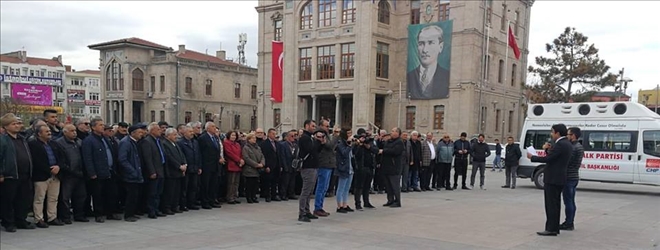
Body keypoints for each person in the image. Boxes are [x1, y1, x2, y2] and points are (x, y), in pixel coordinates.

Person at [527, 124, 572, 236]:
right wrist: (548, 150)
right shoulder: (567, 143)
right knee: (555, 204)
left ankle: (551, 228)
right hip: (559, 177)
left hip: (553, 178)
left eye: (552, 132)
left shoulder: (560, 144)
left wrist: (532, 157)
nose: (551, 134)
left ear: (557, 133)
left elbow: (549, 159)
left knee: (551, 204)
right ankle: (554, 227)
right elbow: (554, 158)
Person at [0, 114, 37, 232]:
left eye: (17, 123)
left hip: (25, 174)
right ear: (6, 127)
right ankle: (8, 223)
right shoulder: (3, 140)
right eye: (13, 124)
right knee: (8, 200)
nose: (17, 126)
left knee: (23, 199)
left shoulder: (22, 138)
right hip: (10, 175)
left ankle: (21, 220)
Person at [82, 118, 121, 223]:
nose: (102, 127)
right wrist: (92, 172)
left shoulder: (105, 138)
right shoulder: (89, 141)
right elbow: (87, 158)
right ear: (93, 127)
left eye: (103, 125)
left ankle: (110, 212)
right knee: (97, 194)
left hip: (109, 170)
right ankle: (98, 214)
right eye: (100, 125)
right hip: (97, 172)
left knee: (111, 193)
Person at [28, 124, 65, 227]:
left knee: (53, 198)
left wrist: (58, 167)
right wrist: (49, 170)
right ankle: (39, 219)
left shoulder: (54, 144)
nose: (49, 133)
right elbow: (35, 161)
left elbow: (62, 157)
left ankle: (52, 217)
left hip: (56, 175)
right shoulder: (33, 145)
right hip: (41, 176)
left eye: (49, 131)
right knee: (39, 199)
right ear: (39, 133)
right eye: (46, 131)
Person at [54, 124, 88, 224]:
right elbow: (60, 159)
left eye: (75, 131)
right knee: (65, 197)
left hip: (80, 173)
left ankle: (79, 215)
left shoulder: (79, 142)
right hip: (68, 174)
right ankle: (65, 216)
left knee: (81, 195)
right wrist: (67, 169)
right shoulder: (59, 143)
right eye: (71, 131)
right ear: (65, 132)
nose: (74, 133)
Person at [406, 25, 450, 99]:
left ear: (440, 47)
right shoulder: (409, 76)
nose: (425, 50)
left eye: (430, 43)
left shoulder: (447, 76)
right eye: (421, 44)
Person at [117, 123, 147, 222]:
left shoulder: (135, 142)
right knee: (131, 195)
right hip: (130, 174)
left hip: (136, 173)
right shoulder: (126, 142)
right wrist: (132, 171)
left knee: (135, 195)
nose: (141, 134)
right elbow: (122, 159)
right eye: (139, 132)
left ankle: (132, 213)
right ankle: (128, 214)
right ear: (133, 133)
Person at [138, 122, 167, 218]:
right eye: (158, 129)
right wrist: (152, 171)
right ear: (152, 131)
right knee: (152, 193)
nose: (160, 131)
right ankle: (151, 211)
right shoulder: (147, 141)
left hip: (161, 169)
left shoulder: (158, 140)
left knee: (159, 192)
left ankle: (157, 209)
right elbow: (148, 158)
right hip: (154, 171)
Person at [298, 120, 323, 222]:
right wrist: (317, 141)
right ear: (307, 126)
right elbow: (310, 149)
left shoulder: (310, 138)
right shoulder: (304, 138)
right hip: (307, 167)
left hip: (313, 167)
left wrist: (320, 142)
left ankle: (307, 211)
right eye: (312, 126)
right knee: (305, 191)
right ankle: (302, 213)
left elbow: (316, 151)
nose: (314, 128)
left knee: (309, 192)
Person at [561, 127, 584, 231]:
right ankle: (569, 221)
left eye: (568, 135)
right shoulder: (579, 146)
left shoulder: (573, 147)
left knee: (568, 201)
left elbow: (567, 161)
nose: (567, 137)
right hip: (574, 176)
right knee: (571, 200)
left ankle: (569, 222)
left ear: (573, 136)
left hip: (569, 177)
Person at [197, 122, 224, 209]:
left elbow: (217, 150)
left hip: (215, 165)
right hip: (207, 165)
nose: (215, 128)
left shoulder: (215, 137)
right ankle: (205, 201)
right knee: (206, 184)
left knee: (213, 184)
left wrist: (219, 158)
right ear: (207, 128)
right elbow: (200, 152)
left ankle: (212, 200)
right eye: (212, 126)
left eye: (215, 126)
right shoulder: (203, 138)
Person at [161, 128, 187, 214]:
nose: (177, 136)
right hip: (171, 171)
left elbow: (182, 155)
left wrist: (184, 164)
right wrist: (179, 166)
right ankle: (167, 207)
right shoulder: (165, 144)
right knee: (170, 191)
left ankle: (175, 206)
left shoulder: (175, 144)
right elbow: (169, 157)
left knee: (177, 190)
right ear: (168, 136)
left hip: (179, 171)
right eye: (174, 135)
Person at [313, 119, 336, 217]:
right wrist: (334, 136)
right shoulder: (319, 135)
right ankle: (317, 207)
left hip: (329, 163)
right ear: (321, 126)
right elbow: (330, 145)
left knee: (325, 187)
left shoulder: (326, 135)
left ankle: (320, 206)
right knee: (321, 187)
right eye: (326, 126)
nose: (328, 128)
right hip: (323, 163)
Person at [177, 125, 202, 210]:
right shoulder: (180, 142)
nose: (192, 133)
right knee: (185, 188)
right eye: (190, 132)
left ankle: (191, 203)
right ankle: (183, 204)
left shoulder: (195, 142)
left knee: (193, 187)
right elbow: (181, 156)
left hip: (194, 168)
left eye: (192, 132)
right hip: (187, 168)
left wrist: (199, 167)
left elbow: (198, 155)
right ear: (184, 133)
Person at [353, 129, 378, 210]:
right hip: (361, 167)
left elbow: (376, 150)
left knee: (367, 186)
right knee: (359, 186)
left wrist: (369, 146)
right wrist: (360, 144)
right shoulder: (356, 143)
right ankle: (358, 203)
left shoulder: (369, 142)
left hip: (370, 166)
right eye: (362, 136)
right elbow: (356, 154)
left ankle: (366, 202)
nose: (364, 138)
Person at [381, 127, 404, 208]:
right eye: (391, 131)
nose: (391, 133)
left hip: (394, 167)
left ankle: (397, 201)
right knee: (388, 185)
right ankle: (390, 200)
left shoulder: (399, 142)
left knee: (395, 185)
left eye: (393, 131)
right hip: (386, 166)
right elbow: (385, 148)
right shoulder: (388, 141)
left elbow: (395, 151)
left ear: (397, 133)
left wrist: (384, 151)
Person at [334, 128, 355, 213]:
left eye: (351, 133)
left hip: (350, 167)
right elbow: (344, 153)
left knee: (347, 188)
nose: (350, 135)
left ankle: (345, 204)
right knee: (341, 188)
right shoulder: (340, 143)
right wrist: (349, 145)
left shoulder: (348, 143)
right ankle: (339, 206)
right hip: (343, 167)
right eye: (348, 133)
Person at [242, 133, 264, 204]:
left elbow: (262, 156)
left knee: (255, 184)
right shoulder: (246, 148)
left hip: (257, 169)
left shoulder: (258, 147)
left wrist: (262, 163)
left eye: (255, 138)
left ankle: (254, 196)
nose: (254, 139)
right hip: (250, 169)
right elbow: (246, 158)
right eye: (253, 138)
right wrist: (256, 164)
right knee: (249, 184)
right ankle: (249, 197)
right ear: (248, 139)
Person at [260, 128, 281, 202]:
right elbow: (264, 155)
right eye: (273, 134)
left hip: (276, 165)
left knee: (275, 181)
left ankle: (274, 195)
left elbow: (278, 155)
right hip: (269, 165)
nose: (274, 135)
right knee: (268, 181)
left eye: (275, 134)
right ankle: (267, 195)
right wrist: (266, 166)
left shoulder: (277, 143)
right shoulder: (264, 143)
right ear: (269, 134)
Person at [223, 131, 243, 204]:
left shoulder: (237, 144)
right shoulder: (226, 143)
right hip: (231, 164)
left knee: (236, 182)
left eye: (235, 135)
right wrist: (238, 160)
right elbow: (229, 153)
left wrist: (241, 160)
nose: (233, 137)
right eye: (232, 135)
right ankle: (230, 197)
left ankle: (235, 196)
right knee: (231, 182)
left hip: (238, 165)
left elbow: (241, 153)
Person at [278, 130, 298, 201]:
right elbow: (282, 156)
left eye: (294, 136)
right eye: (292, 136)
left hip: (293, 166)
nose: (294, 137)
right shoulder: (283, 145)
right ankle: (283, 194)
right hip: (286, 165)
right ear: (288, 137)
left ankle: (291, 193)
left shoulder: (295, 145)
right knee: (285, 181)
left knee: (292, 181)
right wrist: (284, 166)